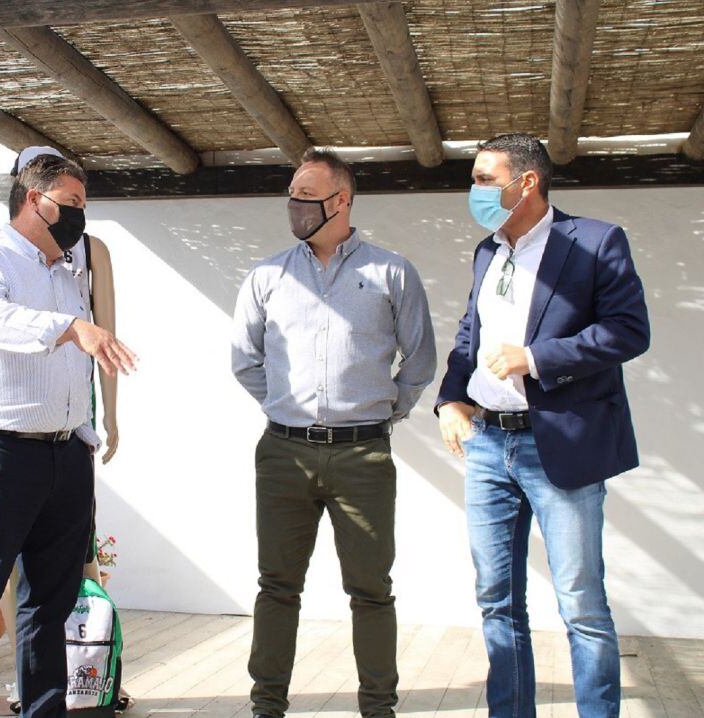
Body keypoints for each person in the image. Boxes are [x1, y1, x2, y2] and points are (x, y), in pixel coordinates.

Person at [435, 132, 650, 718]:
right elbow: (469, 336)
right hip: (487, 447)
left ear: (525, 181)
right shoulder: (488, 251)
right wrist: (451, 399)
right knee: (496, 601)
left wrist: (536, 359)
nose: (473, 190)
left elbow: (629, 331)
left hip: (559, 443)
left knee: (581, 603)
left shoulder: (596, 241)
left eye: (483, 179)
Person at [231, 147, 436, 718]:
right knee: (277, 586)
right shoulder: (267, 275)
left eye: (306, 194)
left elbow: (419, 362)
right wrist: (284, 407)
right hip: (282, 455)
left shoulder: (392, 272)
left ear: (341, 200)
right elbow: (245, 360)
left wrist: (379, 416)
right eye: (292, 194)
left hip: (363, 458)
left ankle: (378, 707)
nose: (294, 204)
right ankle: (266, 706)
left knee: (371, 590)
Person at [0, 151, 136, 718]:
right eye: (70, 204)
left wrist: (87, 433)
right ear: (33, 200)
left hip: (64, 455)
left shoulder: (73, 269)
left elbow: (79, 358)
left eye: (83, 206)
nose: (79, 217)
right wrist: (70, 327)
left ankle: (44, 711)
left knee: (52, 604)